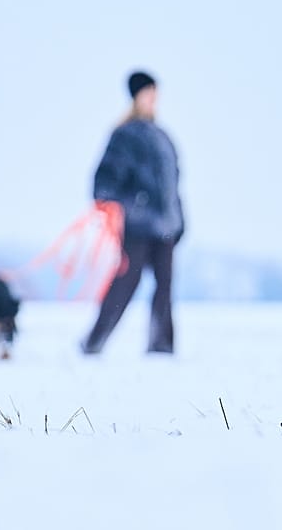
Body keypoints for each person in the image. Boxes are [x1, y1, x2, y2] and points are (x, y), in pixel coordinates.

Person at [82, 71, 184, 355]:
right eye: (148, 93)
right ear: (137, 96)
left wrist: (179, 220)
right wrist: (131, 204)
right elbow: (103, 182)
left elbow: (174, 184)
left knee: (165, 284)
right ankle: (94, 342)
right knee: (128, 281)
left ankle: (161, 346)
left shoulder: (163, 137)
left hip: (165, 226)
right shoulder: (124, 135)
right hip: (136, 226)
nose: (153, 99)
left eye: (155, 94)